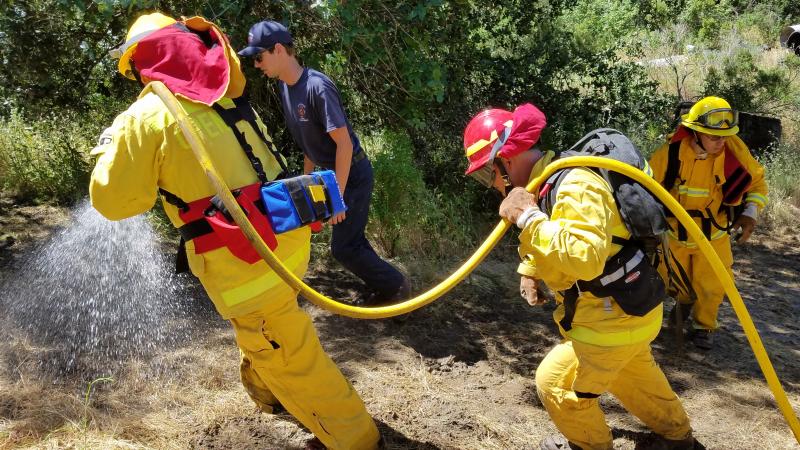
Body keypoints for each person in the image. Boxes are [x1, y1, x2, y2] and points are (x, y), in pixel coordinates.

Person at [90, 13, 380, 450]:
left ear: (142, 62)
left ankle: (357, 439)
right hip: (285, 242)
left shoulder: (146, 117)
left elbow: (113, 202)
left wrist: (114, 141)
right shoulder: (220, 93)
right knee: (265, 332)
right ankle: (271, 396)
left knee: (287, 351)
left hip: (246, 265)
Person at [463, 104, 702, 450]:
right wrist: (530, 270)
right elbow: (562, 230)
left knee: (555, 383)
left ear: (507, 160)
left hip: (611, 322)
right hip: (632, 312)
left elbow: (584, 258)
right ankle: (678, 437)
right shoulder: (547, 185)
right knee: (631, 371)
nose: (491, 185)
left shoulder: (574, 184)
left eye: (488, 174)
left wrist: (528, 218)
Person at [237, 20, 410, 306]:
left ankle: (398, 287)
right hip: (331, 177)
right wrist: (306, 183)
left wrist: (338, 197)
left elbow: (343, 144)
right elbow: (309, 142)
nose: (256, 65)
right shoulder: (285, 87)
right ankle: (386, 286)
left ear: (279, 49)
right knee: (351, 240)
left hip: (352, 174)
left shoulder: (317, 87)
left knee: (343, 247)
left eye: (259, 57)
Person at [650, 96, 768, 351]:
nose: (721, 142)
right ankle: (682, 305)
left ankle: (704, 328)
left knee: (713, 284)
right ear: (696, 133)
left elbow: (757, 183)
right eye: (715, 137)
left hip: (713, 234)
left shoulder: (733, 150)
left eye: (724, 136)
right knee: (672, 281)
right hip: (675, 234)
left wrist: (750, 212)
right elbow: (646, 188)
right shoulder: (670, 153)